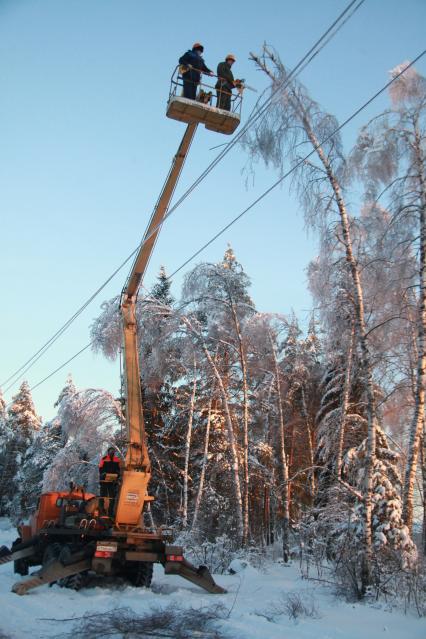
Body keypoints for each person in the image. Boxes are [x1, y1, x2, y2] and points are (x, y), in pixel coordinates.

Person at [99, 447, 121, 516]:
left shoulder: (117, 460)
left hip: (112, 482)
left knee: (112, 497)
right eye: (111, 451)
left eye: (113, 451)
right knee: (103, 496)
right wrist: (103, 474)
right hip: (104, 481)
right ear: (108, 452)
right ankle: (101, 510)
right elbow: (100, 469)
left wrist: (117, 475)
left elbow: (118, 469)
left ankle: (110, 512)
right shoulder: (104, 459)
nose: (112, 452)